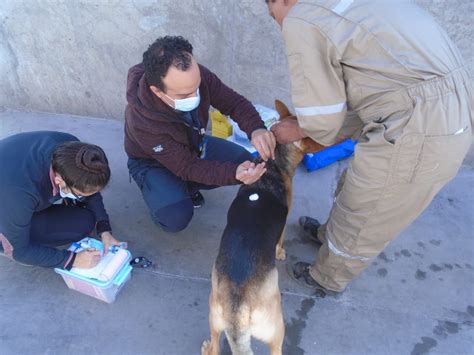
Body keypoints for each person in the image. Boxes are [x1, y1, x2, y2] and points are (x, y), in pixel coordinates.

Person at [265, 0, 473, 294]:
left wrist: (294, 127)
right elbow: (364, 94)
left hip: (423, 120)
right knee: (359, 185)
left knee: (367, 209)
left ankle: (326, 277)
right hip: (441, 102)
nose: (279, 25)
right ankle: (327, 236)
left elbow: (323, 118)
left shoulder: (302, 17)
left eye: (274, 16)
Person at [124, 35, 276, 233]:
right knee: (175, 217)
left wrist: (256, 128)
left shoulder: (194, 76)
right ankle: (159, 189)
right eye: (184, 95)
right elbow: (187, 166)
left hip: (193, 144)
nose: (195, 96)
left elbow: (234, 102)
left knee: (243, 161)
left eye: (196, 88)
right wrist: (232, 175)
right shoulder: (142, 122)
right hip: (151, 161)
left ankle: (184, 188)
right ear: (157, 91)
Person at [0, 131, 124, 269]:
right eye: (79, 194)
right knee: (19, 244)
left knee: (83, 222)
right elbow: (19, 252)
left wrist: (104, 228)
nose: (86, 196)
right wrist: (72, 260)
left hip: (14, 187)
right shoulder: (20, 195)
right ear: (60, 181)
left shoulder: (75, 152)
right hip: (8, 199)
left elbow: (90, 189)